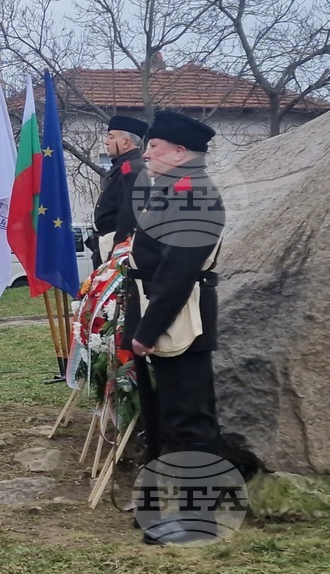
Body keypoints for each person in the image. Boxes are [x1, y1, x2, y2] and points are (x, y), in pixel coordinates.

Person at [120, 111, 225, 546]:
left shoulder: (194, 194)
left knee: (190, 419)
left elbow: (178, 272)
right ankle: (172, 509)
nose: (146, 153)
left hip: (180, 316)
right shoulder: (173, 191)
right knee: (166, 416)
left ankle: (198, 519)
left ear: (181, 152)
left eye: (155, 146)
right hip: (159, 311)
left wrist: (146, 330)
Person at [90, 115, 148, 266]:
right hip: (105, 243)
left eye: (111, 137)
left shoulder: (131, 169)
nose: (106, 141)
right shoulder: (122, 167)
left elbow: (129, 215)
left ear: (126, 142)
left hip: (116, 247)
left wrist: (117, 252)